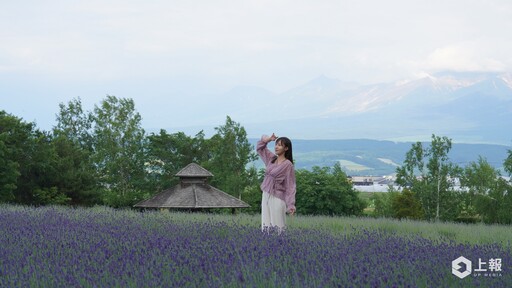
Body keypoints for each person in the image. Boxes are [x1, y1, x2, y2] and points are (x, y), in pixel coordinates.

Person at [256, 133, 296, 232]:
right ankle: (268, 246)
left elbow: (290, 185)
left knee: (278, 226)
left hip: (278, 197)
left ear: (286, 148)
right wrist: (268, 139)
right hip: (266, 194)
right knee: (265, 226)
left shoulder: (288, 165)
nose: (276, 147)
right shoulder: (271, 159)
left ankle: (281, 245)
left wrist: (291, 204)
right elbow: (259, 148)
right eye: (276, 144)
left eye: (280, 145)